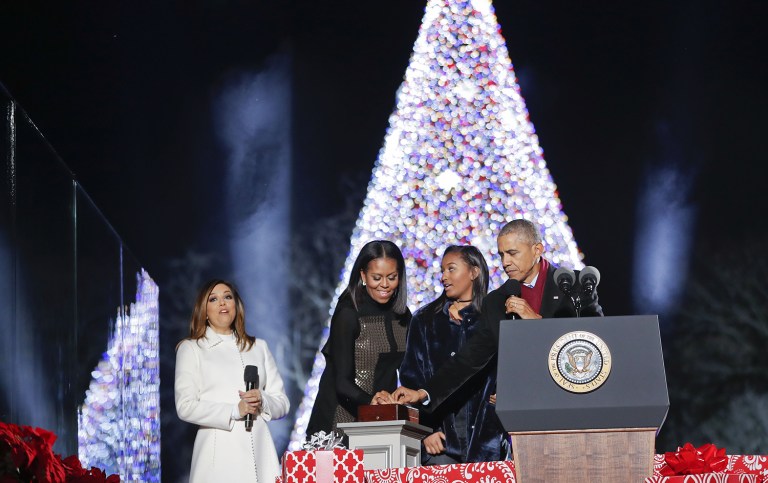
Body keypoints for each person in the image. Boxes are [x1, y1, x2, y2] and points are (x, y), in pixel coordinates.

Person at [391, 218, 603, 410]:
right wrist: (424, 392)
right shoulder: (496, 301)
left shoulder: (574, 285)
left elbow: (597, 339)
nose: (505, 262)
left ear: (537, 249)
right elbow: (469, 358)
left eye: (512, 253)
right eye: (501, 254)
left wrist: (537, 322)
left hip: (576, 400)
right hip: (526, 409)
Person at [399, 245, 509, 465]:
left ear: (474, 272)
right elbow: (412, 378)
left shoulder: (495, 319)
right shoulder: (425, 320)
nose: (443, 277)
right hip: (442, 444)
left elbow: (508, 368)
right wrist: (426, 431)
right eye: (442, 270)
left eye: (451, 269)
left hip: (486, 442)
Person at [175, 279, 290, 483]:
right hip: (218, 454)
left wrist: (262, 399)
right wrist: (234, 411)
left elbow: (282, 403)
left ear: (236, 305)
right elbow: (185, 406)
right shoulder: (192, 348)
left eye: (228, 297)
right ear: (204, 310)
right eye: (213, 299)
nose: (222, 303)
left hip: (260, 451)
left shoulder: (258, 347)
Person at [306, 240, 411, 435]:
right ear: (363, 275)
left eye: (392, 277)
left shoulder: (403, 315)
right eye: (377, 277)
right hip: (339, 419)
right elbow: (342, 382)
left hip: (381, 420)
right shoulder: (349, 311)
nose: (385, 285)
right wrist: (372, 401)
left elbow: (409, 370)